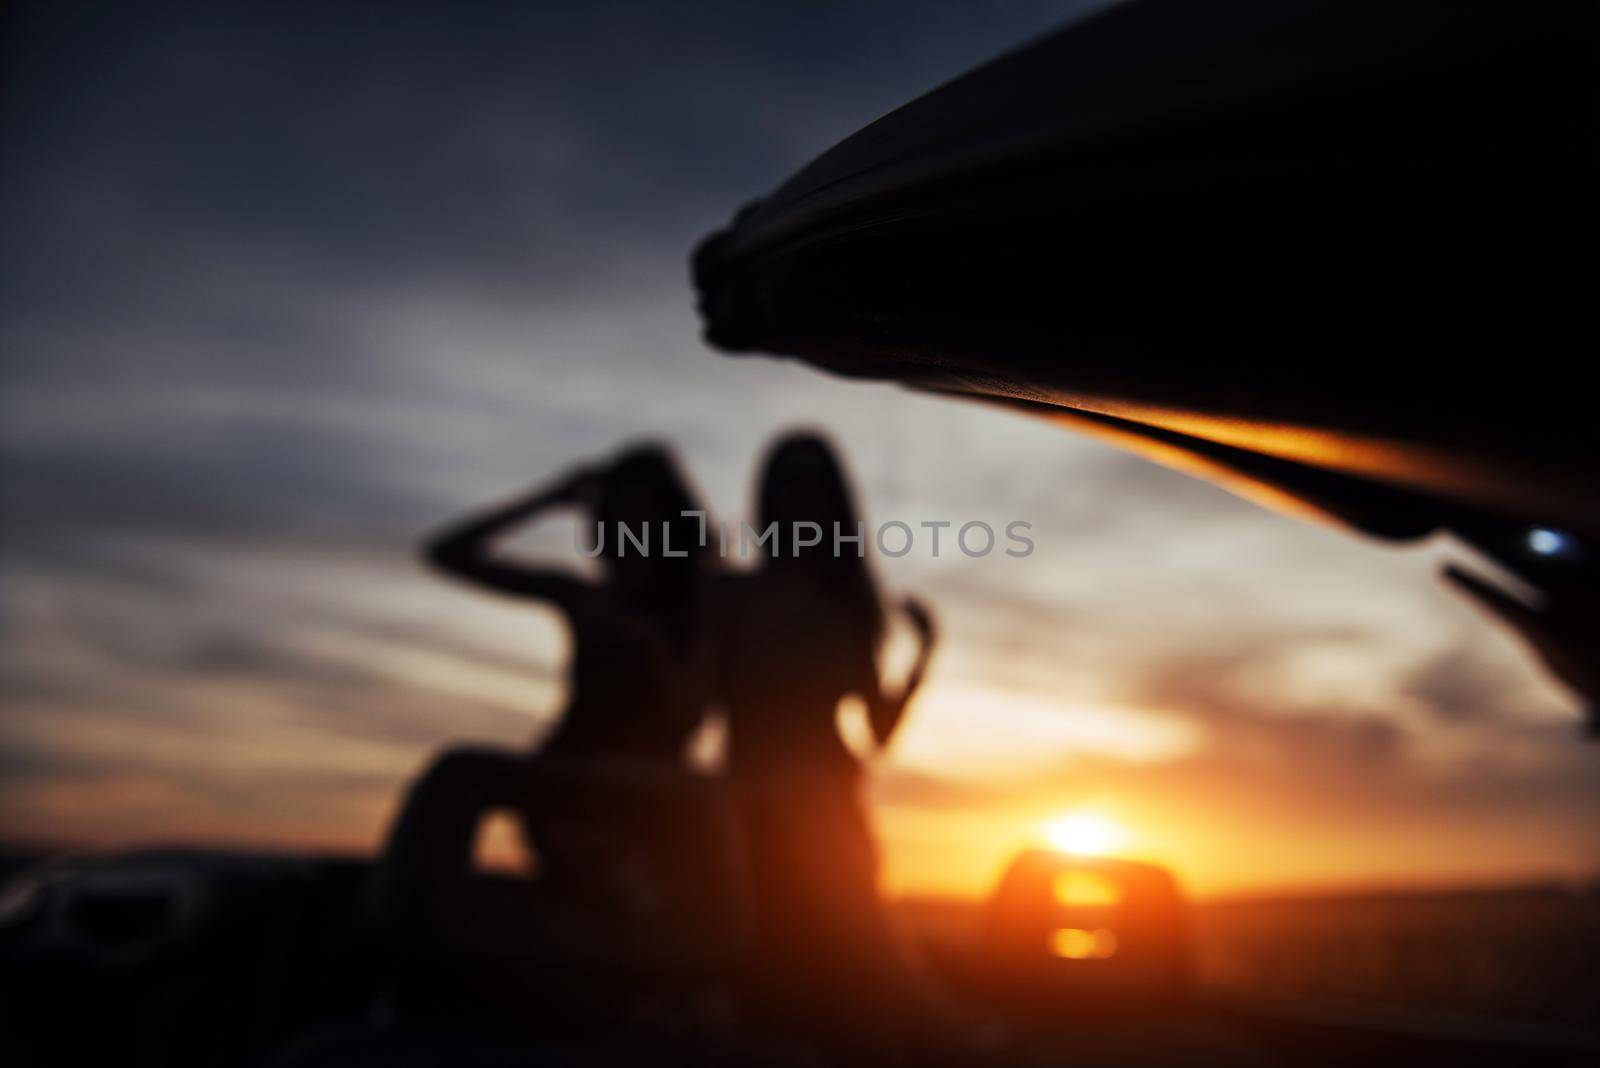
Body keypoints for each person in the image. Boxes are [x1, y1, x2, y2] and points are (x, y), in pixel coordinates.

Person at [370, 444, 736, 988]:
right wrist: (548, 498)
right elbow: (448, 552)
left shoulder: (703, 603)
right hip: (562, 782)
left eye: (644, 515)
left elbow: (689, 715)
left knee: (630, 926)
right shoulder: (580, 596)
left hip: (650, 796)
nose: (629, 530)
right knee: (459, 777)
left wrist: (653, 647)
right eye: (616, 515)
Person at [714, 431, 939, 1052]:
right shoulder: (734, 596)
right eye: (787, 482)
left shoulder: (849, 606)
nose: (799, 497)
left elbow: (876, 733)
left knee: (847, 986)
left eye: (812, 483)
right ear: (768, 495)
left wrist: (919, 661)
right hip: (751, 808)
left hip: (831, 808)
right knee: (777, 980)